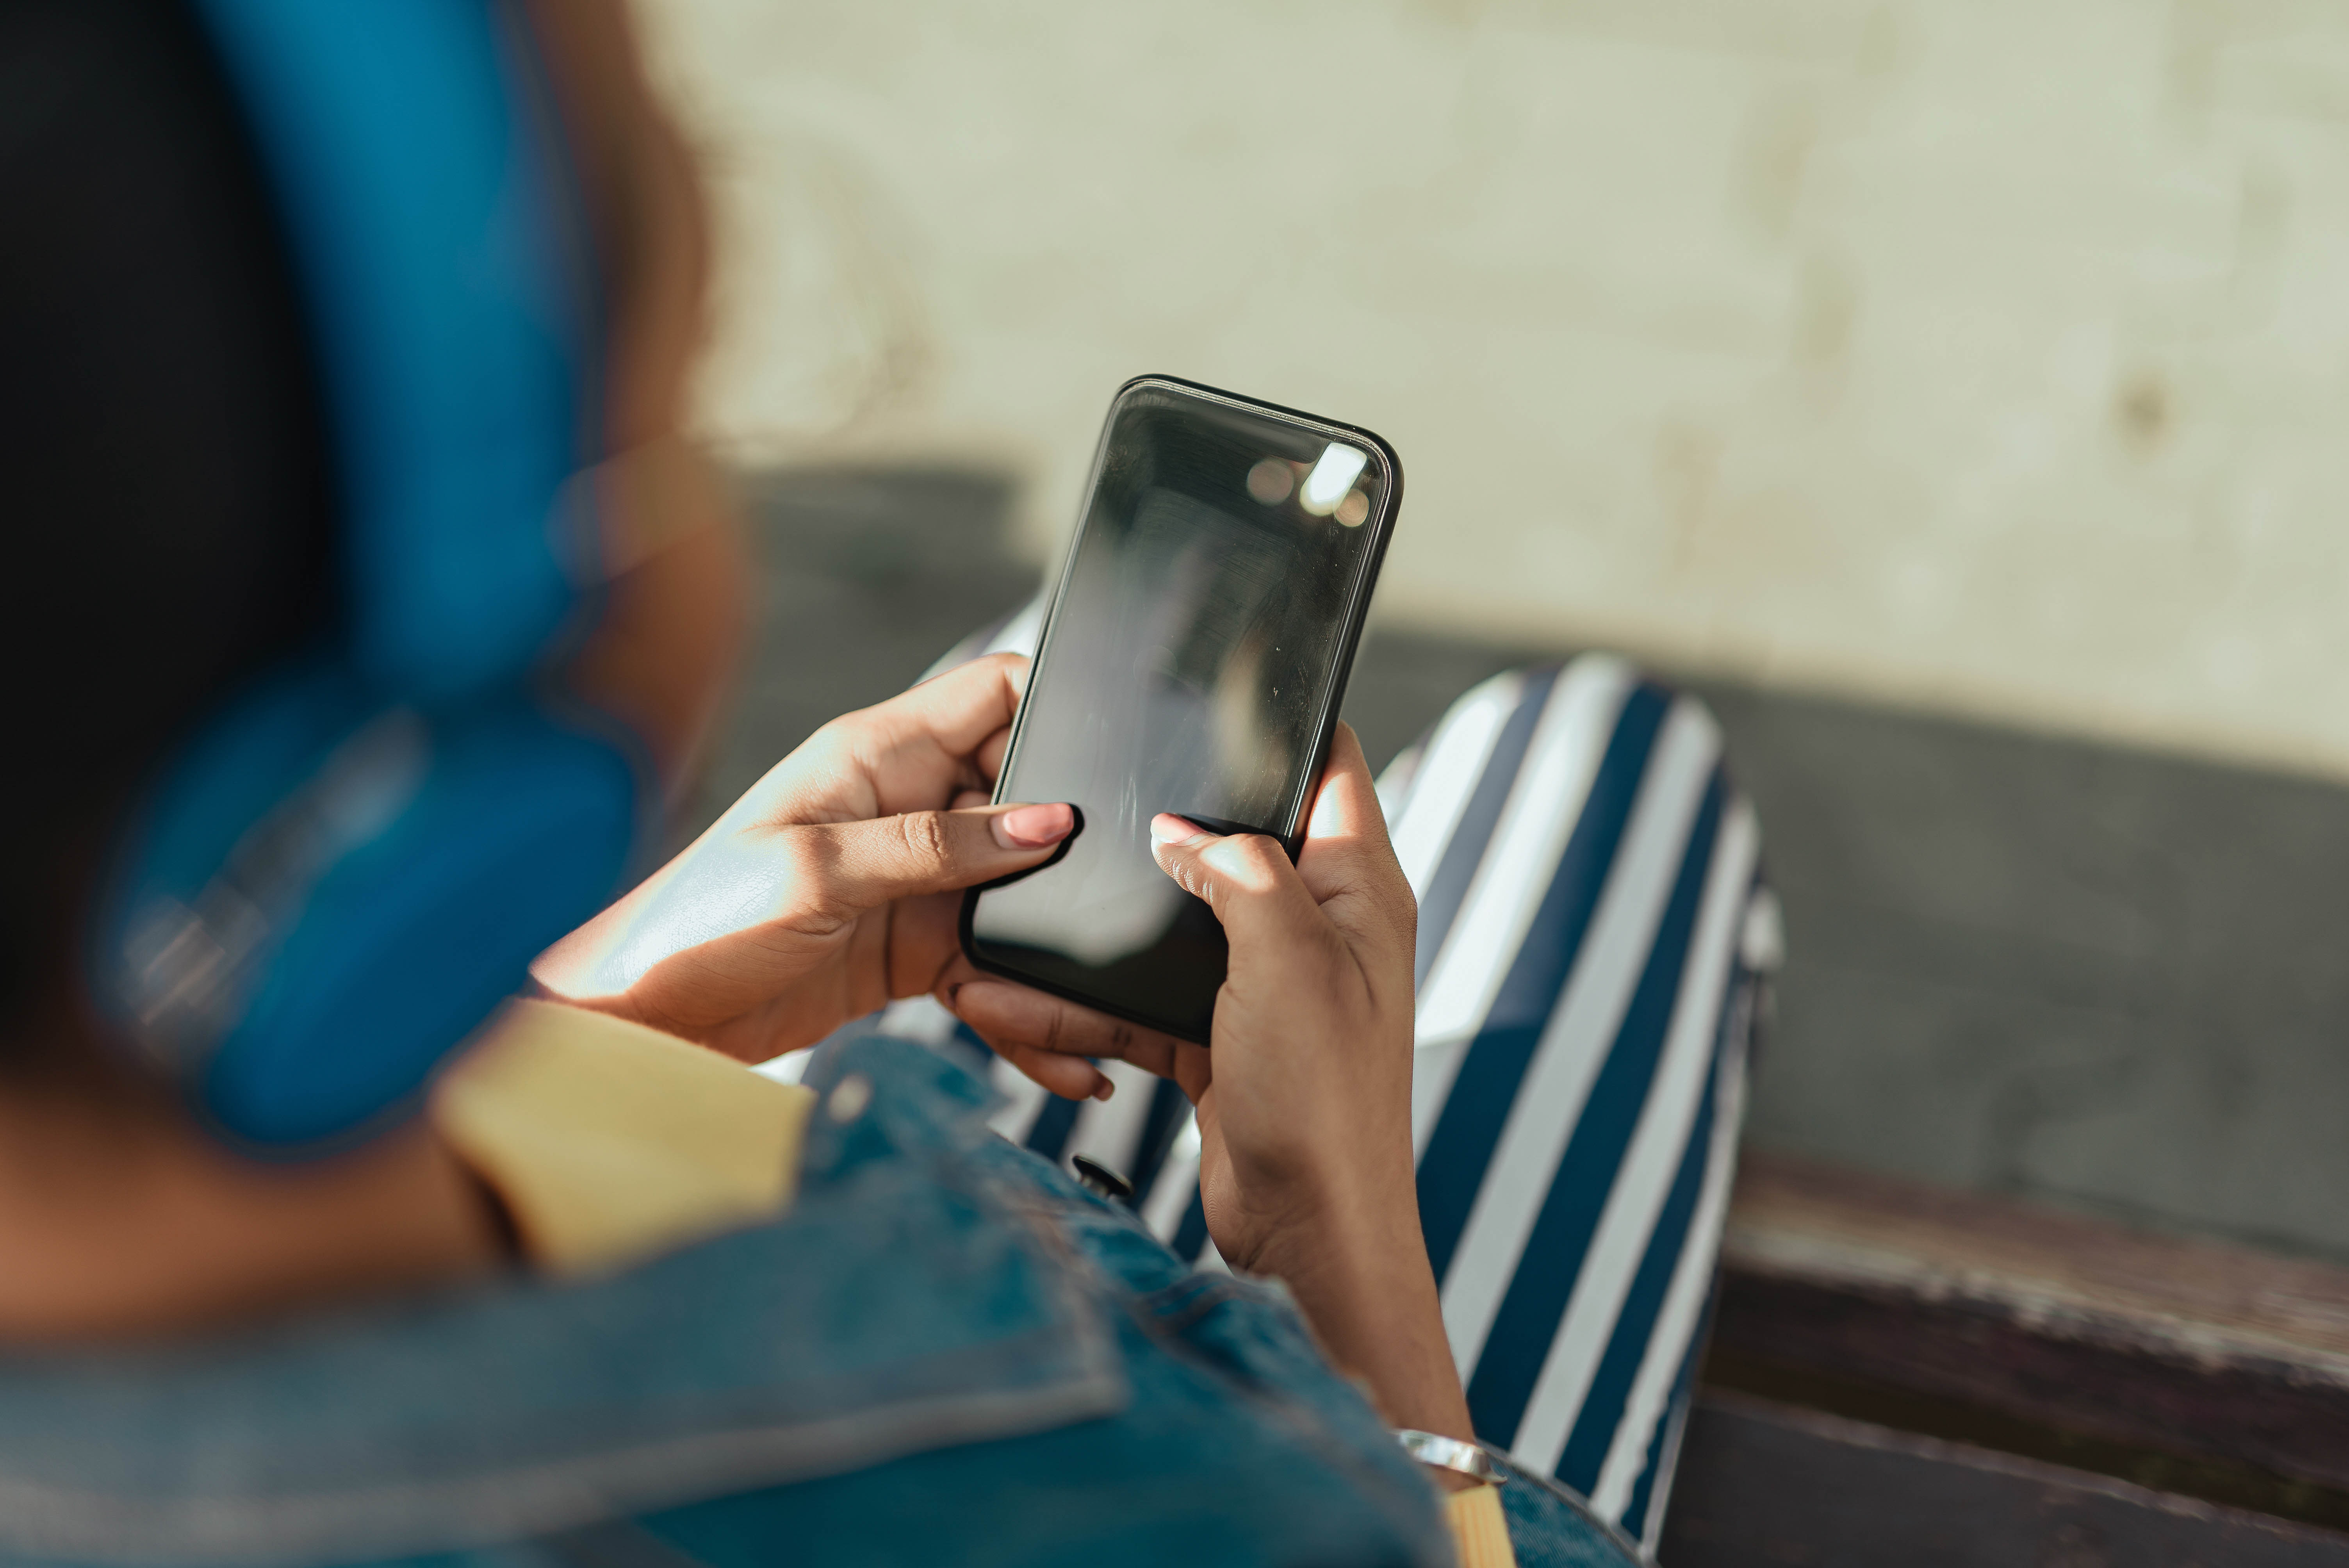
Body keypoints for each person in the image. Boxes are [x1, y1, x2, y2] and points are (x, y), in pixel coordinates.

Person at [0, 2, 1769, 1564]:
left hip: (754, 1124)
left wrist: (601, 1005)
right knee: (1604, 752)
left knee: (1066, 668)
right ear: (512, 688)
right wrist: (1334, 1251)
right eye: (673, 424)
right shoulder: (1145, 1510)